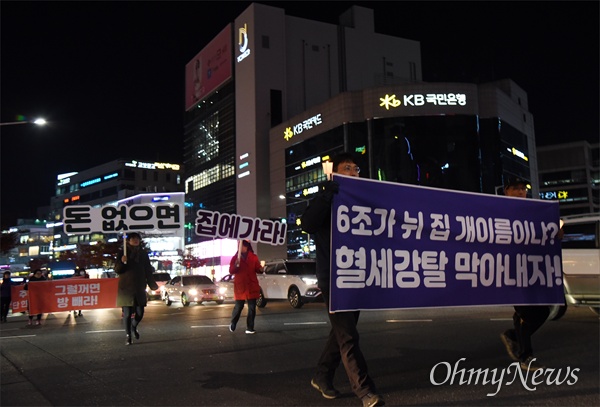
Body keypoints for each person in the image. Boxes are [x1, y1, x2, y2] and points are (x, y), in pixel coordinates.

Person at [302, 152, 385, 407]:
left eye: (356, 168)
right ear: (335, 173)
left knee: (341, 333)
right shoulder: (327, 197)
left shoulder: (363, 203)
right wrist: (327, 194)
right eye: (346, 168)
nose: (353, 172)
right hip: (334, 279)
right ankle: (364, 390)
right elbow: (307, 223)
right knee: (348, 335)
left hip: (357, 276)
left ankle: (322, 376)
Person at [499, 176, 550, 372]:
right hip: (512, 270)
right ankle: (526, 356)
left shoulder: (533, 212)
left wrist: (557, 232)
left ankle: (513, 335)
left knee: (543, 311)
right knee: (525, 312)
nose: (521, 192)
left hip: (531, 269)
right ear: (507, 191)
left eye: (523, 189)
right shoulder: (499, 210)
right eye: (516, 189)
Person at [114, 232, 158, 345]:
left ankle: (134, 326)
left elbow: (148, 269)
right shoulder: (123, 253)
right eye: (133, 239)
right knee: (127, 314)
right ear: (128, 241)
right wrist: (122, 262)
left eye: (137, 239)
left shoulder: (143, 254)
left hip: (139, 287)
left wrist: (152, 284)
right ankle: (128, 336)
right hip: (126, 289)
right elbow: (117, 269)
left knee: (140, 313)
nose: (135, 240)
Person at [228, 239, 262, 334]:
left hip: (251, 285)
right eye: (239, 246)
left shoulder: (253, 257)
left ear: (246, 247)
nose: (240, 248)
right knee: (239, 307)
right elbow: (231, 271)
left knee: (252, 308)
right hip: (241, 286)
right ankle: (233, 323)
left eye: (241, 246)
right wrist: (236, 265)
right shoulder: (235, 258)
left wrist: (261, 269)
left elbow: (257, 269)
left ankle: (250, 328)